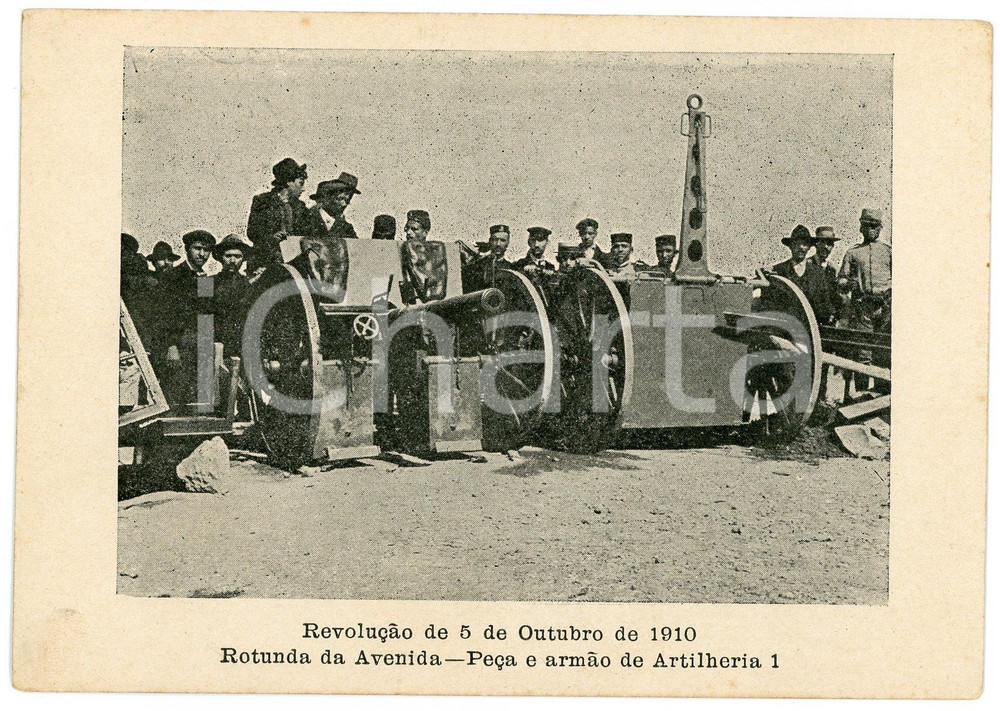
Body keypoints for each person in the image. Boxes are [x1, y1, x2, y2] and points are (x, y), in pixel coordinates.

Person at [159, 230, 217, 405]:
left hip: (199, 344)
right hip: (179, 344)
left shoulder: (205, 279)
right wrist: (171, 345)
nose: (202, 254)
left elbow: (206, 314)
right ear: (187, 249)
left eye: (206, 250)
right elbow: (164, 315)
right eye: (197, 248)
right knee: (176, 393)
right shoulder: (172, 277)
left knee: (197, 398)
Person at [838, 208, 892, 390]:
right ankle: (861, 395)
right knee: (863, 351)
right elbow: (841, 279)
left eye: (874, 226)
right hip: (862, 308)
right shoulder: (853, 253)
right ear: (860, 228)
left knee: (883, 351)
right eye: (866, 226)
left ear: (880, 228)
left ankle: (882, 397)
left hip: (885, 307)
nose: (870, 230)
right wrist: (848, 283)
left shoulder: (888, 252)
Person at [246, 158, 309, 274]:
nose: (303, 189)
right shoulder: (262, 201)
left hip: (293, 264)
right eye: (300, 183)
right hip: (264, 261)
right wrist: (271, 238)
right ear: (288, 182)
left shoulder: (301, 207)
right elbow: (252, 232)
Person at [212, 234, 252, 358]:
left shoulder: (249, 284)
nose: (233, 261)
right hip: (216, 345)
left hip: (241, 346)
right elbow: (204, 319)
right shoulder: (206, 282)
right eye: (228, 256)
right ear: (220, 258)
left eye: (237, 256)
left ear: (243, 258)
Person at [303, 173, 361, 240]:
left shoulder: (347, 229)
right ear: (328, 197)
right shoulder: (305, 220)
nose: (344, 204)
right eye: (340, 199)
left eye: (347, 201)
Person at [464, 224, 513, 291]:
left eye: (502, 240)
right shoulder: (477, 266)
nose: (498, 244)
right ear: (490, 241)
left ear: (507, 243)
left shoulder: (511, 268)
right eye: (495, 240)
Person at [810, 226, 841, 325]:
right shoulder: (807, 265)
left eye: (829, 244)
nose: (825, 247)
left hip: (828, 320)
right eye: (822, 242)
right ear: (815, 244)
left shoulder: (833, 269)